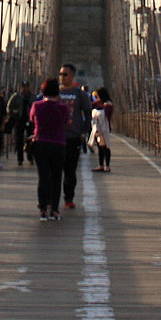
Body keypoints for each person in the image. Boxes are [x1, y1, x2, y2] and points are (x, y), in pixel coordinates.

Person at [29, 75, 68, 219]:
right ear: (57, 92)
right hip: (58, 145)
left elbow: (32, 119)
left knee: (43, 177)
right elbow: (66, 122)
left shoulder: (36, 106)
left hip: (41, 144)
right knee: (57, 177)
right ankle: (55, 210)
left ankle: (43, 209)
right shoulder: (62, 108)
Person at [57, 62, 93, 209]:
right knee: (55, 171)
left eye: (65, 74)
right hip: (56, 137)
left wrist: (84, 132)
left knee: (70, 170)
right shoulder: (55, 93)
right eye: (60, 74)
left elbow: (88, 113)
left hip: (73, 137)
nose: (62, 77)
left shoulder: (80, 94)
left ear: (72, 75)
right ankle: (53, 200)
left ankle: (69, 197)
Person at [6, 81, 33, 165]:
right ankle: (20, 158)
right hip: (19, 120)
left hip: (30, 120)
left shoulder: (32, 97)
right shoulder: (16, 96)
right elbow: (9, 107)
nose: (25, 88)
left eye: (26, 86)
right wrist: (14, 114)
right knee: (19, 140)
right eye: (23, 86)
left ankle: (30, 156)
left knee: (30, 139)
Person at [89, 88, 112, 173]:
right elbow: (90, 106)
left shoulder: (108, 104)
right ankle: (101, 165)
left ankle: (107, 165)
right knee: (100, 146)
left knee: (106, 146)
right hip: (97, 128)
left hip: (105, 128)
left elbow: (106, 112)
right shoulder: (98, 103)